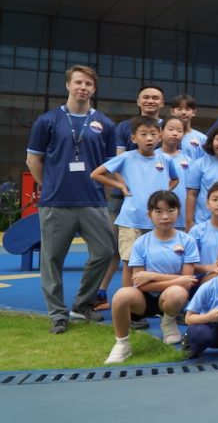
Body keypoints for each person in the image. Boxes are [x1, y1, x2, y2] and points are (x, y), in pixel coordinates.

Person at [27, 65, 117, 334]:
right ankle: (57, 315)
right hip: (56, 203)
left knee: (105, 252)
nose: (83, 88)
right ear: (68, 85)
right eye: (78, 82)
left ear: (94, 89)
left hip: (93, 201)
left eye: (88, 84)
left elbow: (109, 167)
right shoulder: (48, 120)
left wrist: (103, 193)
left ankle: (82, 305)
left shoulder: (105, 124)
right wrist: (49, 186)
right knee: (52, 260)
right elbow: (33, 160)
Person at [104, 191, 198, 364]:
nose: (165, 216)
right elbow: (139, 283)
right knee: (121, 295)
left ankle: (168, 321)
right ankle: (122, 343)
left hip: (170, 297)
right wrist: (177, 280)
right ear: (150, 215)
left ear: (178, 212)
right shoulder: (141, 242)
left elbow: (187, 282)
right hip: (143, 299)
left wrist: (152, 276)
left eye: (170, 211)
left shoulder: (187, 241)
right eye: (159, 211)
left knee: (178, 293)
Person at [91, 116, 180, 289]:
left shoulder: (166, 159)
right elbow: (96, 174)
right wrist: (121, 186)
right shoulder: (126, 157)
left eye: (153, 134)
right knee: (129, 262)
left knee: (153, 262)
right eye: (143, 134)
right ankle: (128, 299)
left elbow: (175, 179)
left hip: (157, 221)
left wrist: (165, 193)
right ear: (133, 138)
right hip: (131, 220)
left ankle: (148, 300)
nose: (149, 138)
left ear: (160, 136)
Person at [156, 117, 191, 230]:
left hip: (181, 218)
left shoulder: (190, 161)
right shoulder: (152, 157)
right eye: (171, 129)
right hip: (156, 216)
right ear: (161, 132)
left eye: (179, 131)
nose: (175, 133)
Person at [170, 94, 207, 161]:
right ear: (172, 111)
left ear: (194, 112)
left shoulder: (202, 139)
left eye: (187, 109)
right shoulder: (164, 135)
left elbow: (205, 162)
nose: (183, 112)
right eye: (179, 109)